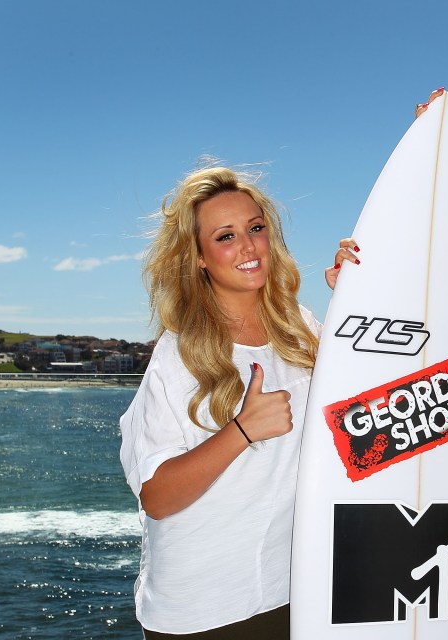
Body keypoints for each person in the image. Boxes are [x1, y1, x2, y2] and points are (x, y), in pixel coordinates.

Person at [119, 166, 323, 638]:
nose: (249, 248)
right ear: (201, 258)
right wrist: (242, 431)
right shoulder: (180, 353)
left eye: (255, 228)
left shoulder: (303, 329)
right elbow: (158, 497)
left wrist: (360, 289)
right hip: (203, 610)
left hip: (291, 591)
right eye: (226, 236)